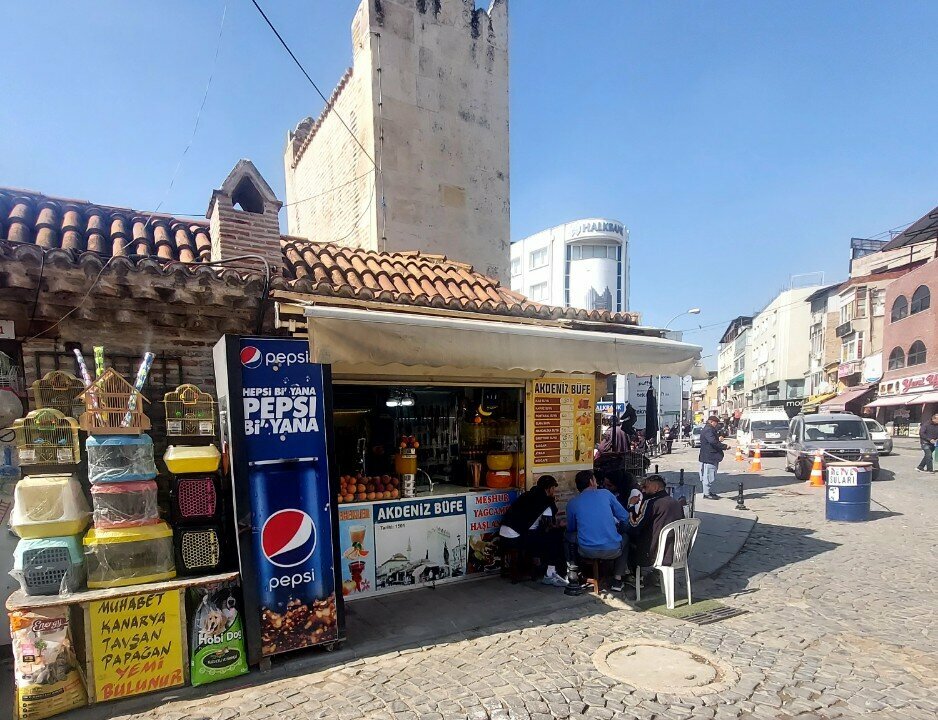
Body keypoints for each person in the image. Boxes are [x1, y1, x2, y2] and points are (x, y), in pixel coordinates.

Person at [565, 470, 631, 592]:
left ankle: (573, 575)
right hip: (613, 549)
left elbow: (571, 528)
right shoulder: (606, 494)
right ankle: (618, 579)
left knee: (568, 536)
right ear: (591, 482)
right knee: (625, 537)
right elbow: (625, 517)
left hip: (586, 550)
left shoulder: (572, 503)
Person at [499, 475, 567, 585]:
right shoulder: (546, 502)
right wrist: (560, 525)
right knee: (554, 538)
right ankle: (549, 572)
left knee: (538, 536)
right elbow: (547, 527)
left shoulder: (526, 494)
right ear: (548, 489)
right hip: (517, 535)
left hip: (503, 531)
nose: (554, 491)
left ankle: (537, 565)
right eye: (553, 488)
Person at [627, 475, 687, 572]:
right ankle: (656, 576)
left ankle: (633, 576)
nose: (643, 491)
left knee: (627, 539)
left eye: (645, 487)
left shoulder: (652, 503)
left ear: (655, 488)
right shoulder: (675, 503)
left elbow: (635, 525)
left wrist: (631, 506)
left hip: (653, 552)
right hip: (675, 551)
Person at [699, 415, 728, 500]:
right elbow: (712, 442)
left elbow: (712, 440)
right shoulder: (709, 429)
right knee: (709, 475)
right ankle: (706, 493)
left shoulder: (708, 429)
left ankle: (707, 492)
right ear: (711, 422)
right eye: (716, 423)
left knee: (708, 475)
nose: (717, 425)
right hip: (710, 457)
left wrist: (718, 439)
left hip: (708, 456)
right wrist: (725, 446)